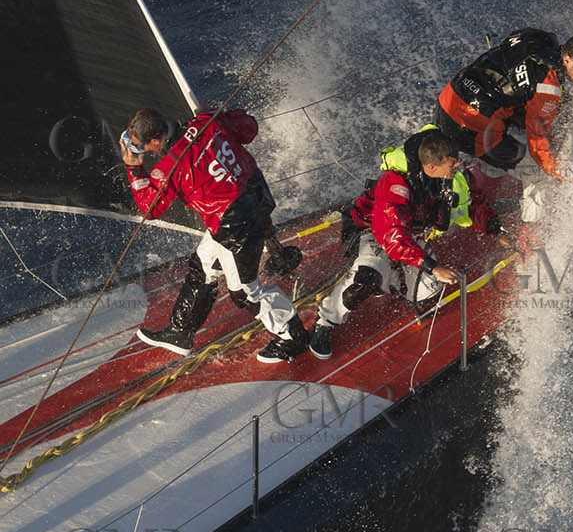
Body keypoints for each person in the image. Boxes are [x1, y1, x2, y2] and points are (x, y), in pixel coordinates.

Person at [121, 107, 310, 364]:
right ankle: (181, 332)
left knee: (245, 291)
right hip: (256, 197)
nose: (145, 153)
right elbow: (249, 128)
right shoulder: (205, 123)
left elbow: (150, 208)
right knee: (204, 264)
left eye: (143, 148)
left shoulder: (170, 167)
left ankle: (293, 337)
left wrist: (134, 170)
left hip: (234, 225)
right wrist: (220, 115)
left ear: (156, 140)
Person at [309, 126, 510, 359]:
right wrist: (432, 266)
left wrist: (496, 229)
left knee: (428, 290)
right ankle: (326, 320)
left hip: (410, 234)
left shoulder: (451, 174)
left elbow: (473, 202)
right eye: (453, 164)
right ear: (431, 167)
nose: (459, 167)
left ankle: (388, 280)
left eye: (457, 162)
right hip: (373, 230)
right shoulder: (395, 184)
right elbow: (392, 235)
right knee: (366, 280)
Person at [433, 29, 573, 180]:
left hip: (448, 97)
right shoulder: (548, 89)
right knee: (518, 152)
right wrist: (557, 171)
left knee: (524, 106)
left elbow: (509, 43)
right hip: (465, 127)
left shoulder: (537, 37)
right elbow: (538, 140)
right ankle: (475, 175)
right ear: (567, 60)